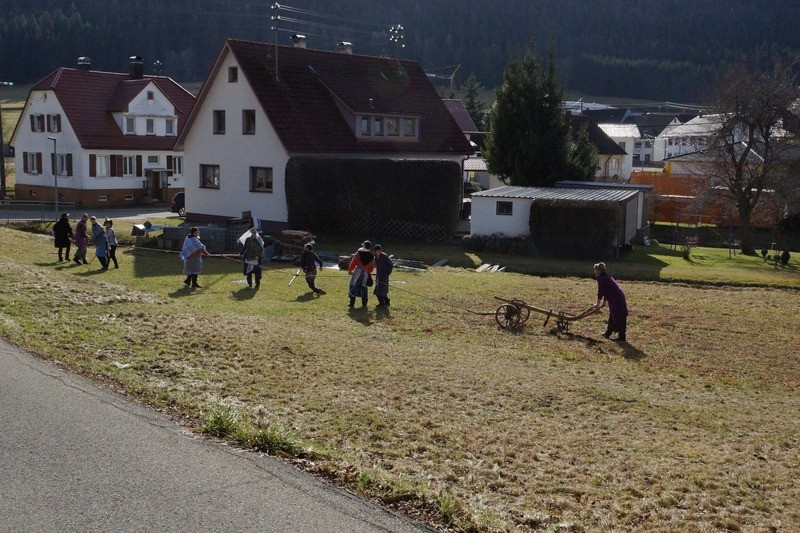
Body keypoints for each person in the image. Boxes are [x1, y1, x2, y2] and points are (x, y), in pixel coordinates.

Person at [593, 262, 628, 342]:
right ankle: (608, 333)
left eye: (595, 270)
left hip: (616, 298)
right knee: (614, 314)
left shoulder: (602, 278)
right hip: (617, 297)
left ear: (599, 270)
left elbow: (601, 291)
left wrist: (598, 304)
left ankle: (621, 337)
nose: (594, 272)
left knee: (620, 315)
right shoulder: (606, 277)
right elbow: (606, 290)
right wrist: (604, 302)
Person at [347, 240, 374, 308]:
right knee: (363, 287)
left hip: (357, 273)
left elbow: (353, 262)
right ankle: (364, 304)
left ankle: (351, 303)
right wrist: (368, 271)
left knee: (353, 286)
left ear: (364, 245)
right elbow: (371, 267)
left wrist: (350, 270)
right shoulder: (371, 256)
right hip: (365, 274)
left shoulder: (358, 253)